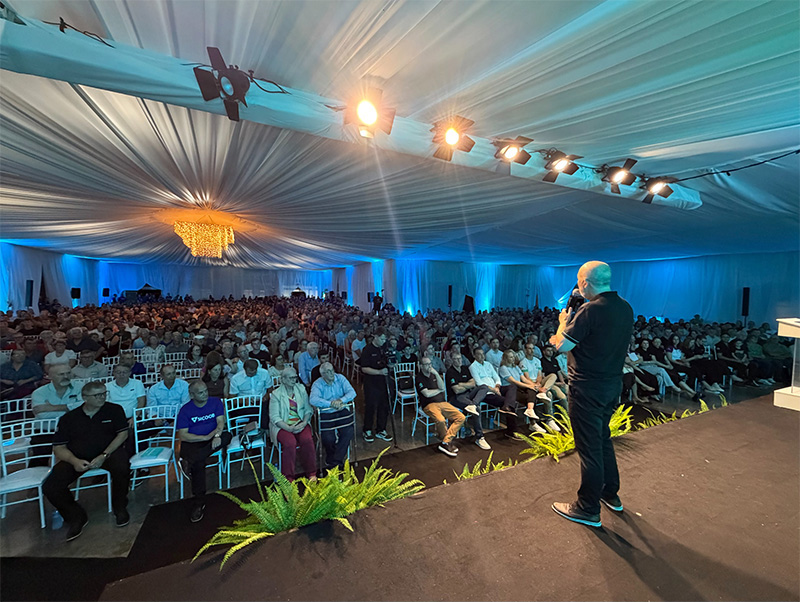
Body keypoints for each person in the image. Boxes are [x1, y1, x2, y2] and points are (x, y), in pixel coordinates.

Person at [550, 261, 633, 528]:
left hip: (587, 387)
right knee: (602, 438)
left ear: (585, 282)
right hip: (612, 385)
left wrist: (562, 323)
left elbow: (561, 346)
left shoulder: (589, 310)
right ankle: (610, 493)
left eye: (579, 282)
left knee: (589, 448)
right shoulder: (625, 307)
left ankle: (587, 507)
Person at [42, 380, 131, 541]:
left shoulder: (114, 410)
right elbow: (59, 447)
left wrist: (104, 455)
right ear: (85, 397)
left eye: (104, 394)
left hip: (108, 452)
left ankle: (120, 506)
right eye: (97, 395)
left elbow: (122, 434)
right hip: (77, 456)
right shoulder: (69, 419)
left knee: (122, 467)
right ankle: (75, 516)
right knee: (51, 486)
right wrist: (74, 460)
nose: (102, 397)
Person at [176, 380, 232, 523]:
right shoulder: (185, 410)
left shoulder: (215, 402)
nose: (205, 394)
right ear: (192, 395)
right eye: (201, 392)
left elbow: (221, 422)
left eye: (206, 390)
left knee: (227, 436)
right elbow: (183, 435)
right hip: (194, 441)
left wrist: (216, 436)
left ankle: (190, 461)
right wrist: (204, 437)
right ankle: (199, 502)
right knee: (198, 461)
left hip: (214, 437)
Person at [269, 367, 317, 481]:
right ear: (283, 379)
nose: (294, 380)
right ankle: (288, 478)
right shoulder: (276, 394)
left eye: (295, 377)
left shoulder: (301, 389)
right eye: (291, 378)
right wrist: (289, 428)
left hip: (300, 422)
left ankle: (311, 473)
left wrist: (304, 422)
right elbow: (274, 417)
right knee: (290, 443)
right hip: (282, 425)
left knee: (307, 440)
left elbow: (308, 409)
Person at [309, 362, 356, 470]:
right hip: (326, 412)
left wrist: (340, 400)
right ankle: (336, 459)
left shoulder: (340, 378)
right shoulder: (317, 384)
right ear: (323, 374)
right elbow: (313, 399)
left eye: (332, 370)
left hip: (341, 410)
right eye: (328, 372)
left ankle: (334, 461)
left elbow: (352, 392)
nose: (332, 373)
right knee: (328, 438)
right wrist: (330, 403)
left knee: (348, 431)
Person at [416, 356, 466, 457]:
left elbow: (443, 387)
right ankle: (447, 443)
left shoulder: (433, 375)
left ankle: (445, 442)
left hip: (442, 402)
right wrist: (438, 390)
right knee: (441, 420)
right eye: (426, 364)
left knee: (461, 417)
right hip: (429, 404)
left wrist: (435, 374)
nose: (429, 366)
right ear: (421, 366)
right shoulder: (419, 378)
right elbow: (427, 394)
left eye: (430, 364)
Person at [445, 351, 492, 450]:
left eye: (460, 359)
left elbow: (473, 383)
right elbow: (456, 390)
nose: (458, 361)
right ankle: (480, 437)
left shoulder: (465, 368)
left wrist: (462, 384)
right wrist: (466, 385)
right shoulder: (450, 372)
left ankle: (473, 404)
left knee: (484, 387)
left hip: (468, 395)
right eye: (456, 359)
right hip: (456, 398)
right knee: (478, 409)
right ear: (452, 360)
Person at [359, 329, 392, 443]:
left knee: (384, 406)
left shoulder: (384, 348)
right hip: (371, 383)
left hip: (384, 382)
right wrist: (379, 372)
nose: (384, 341)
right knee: (371, 406)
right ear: (376, 337)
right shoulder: (367, 350)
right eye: (382, 339)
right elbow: (364, 368)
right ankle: (367, 429)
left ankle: (381, 429)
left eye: (384, 339)